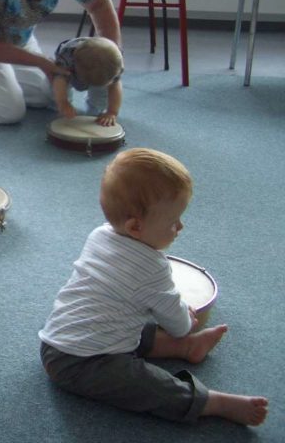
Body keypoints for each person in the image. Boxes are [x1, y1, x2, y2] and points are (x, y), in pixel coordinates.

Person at [38, 148, 268, 426]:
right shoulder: (152, 268)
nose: (180, 227)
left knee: (136, 322)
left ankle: (185, 350)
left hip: (57, 341)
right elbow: (179, 323)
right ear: (136, 227)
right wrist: (186, 323)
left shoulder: (100, 234)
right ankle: (209, 402)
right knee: (142, 383)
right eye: (173, 222)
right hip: (79, 363)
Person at [51, 36, 123, 126]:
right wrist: (63, 102)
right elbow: (59, 81)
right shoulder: (66, 60)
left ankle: (96, 109)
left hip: (102, 72)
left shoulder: (114, 64)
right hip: (68, 70)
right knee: (55, 90)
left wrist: (112, 112)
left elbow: (115, 87)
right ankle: (62, 106)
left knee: (102, 95)